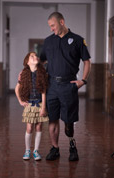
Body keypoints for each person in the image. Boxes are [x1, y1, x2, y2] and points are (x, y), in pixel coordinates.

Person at [40, 12, 91, 161]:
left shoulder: (77, 40)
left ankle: (72, 146)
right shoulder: (48, 41)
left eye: (53, 25)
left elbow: (87, 61)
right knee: (53, 119)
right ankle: (55, 148)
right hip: (52, 86)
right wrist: (28, 73)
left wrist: (83, 80)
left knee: (69, 120)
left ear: (61, 22)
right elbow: (41, 61)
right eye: (50, 26)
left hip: (69, 85)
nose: (51, 29)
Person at [15, 52, 48, 161]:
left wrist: (43, 107)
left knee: (39, 127)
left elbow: (43, 91)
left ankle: (36, 151)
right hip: (29, 105)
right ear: (27, 61)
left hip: (39, 104)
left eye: (36, 56)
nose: (36, 57)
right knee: (29, 128)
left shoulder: (42, 73)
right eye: (32, 56)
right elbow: (17, 88)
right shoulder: (23, 73)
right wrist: (20, 101)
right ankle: (27, 150)